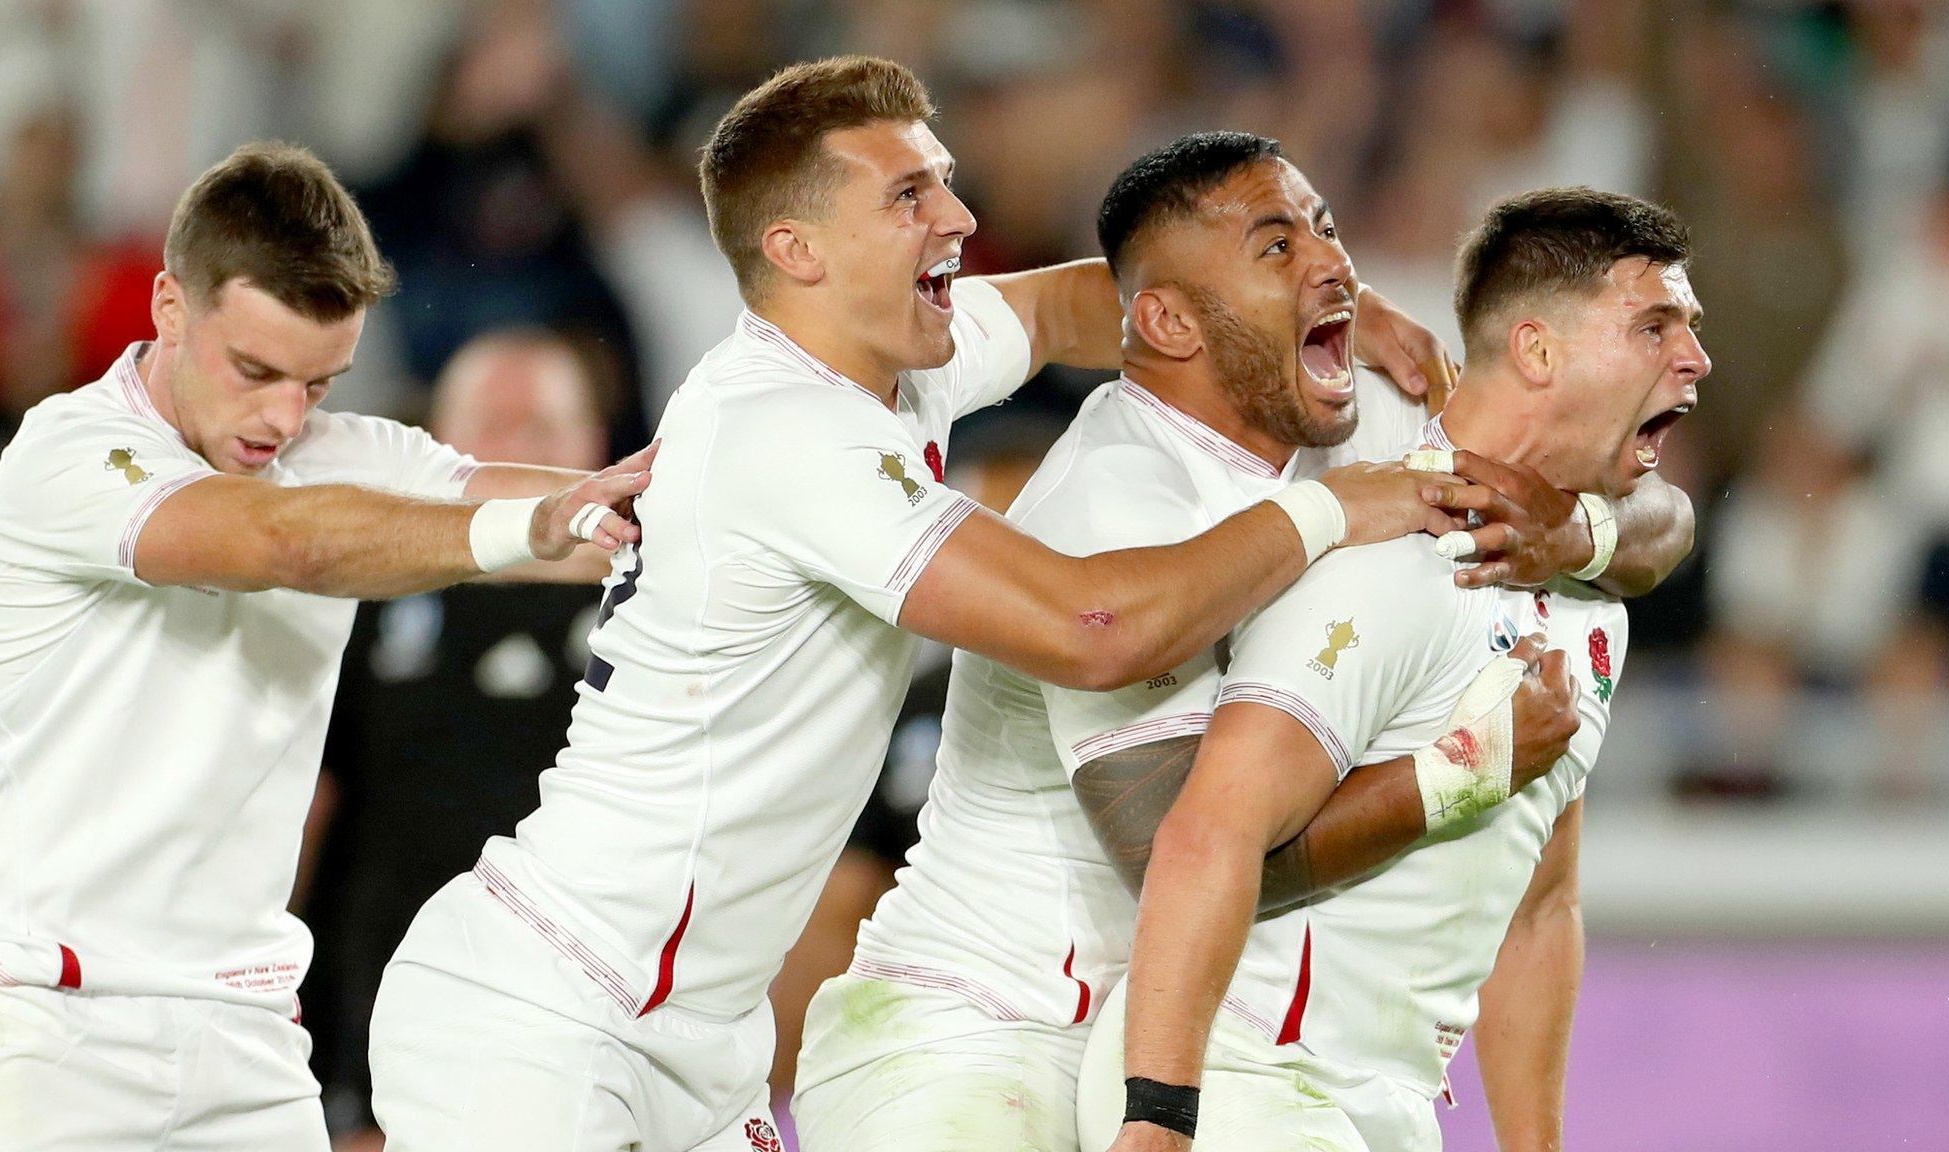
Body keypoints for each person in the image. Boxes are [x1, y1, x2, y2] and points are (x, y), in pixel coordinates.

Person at [367, 56, 1470, 1152]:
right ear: (795, 251)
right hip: (550, 1010)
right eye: (907, 196)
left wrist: (1316, 304)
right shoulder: (783, 427)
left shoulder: (898, 357)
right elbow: (1091, 630)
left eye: (940, 178)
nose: (957, 212)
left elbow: (1086, 304)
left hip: (698, 1042)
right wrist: (1338, 511)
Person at [792, 134, 1696, 1152]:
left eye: (1326, 229)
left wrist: (1576, 534)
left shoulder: (1356, 426)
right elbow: (1189, 847)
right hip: (973, 1033)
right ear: (1171, 322)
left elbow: (1622, 489)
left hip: (1148, 1037)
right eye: (1275, 247)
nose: (1328, 262)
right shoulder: (1117, 498)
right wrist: (1460, 773)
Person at [0, 142, 651, 1151]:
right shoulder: (67, 455)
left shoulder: (340, 454)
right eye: (254, 370)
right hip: (38, 1033)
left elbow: (565, 509)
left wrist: (707, 500)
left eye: (319, 382)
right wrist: (538, 526)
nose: (282, 419)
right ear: (170, 305)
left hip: (248, 1044)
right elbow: (280, 541)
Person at [1081, 187, 1708, 1152]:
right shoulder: (1391, 556)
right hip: (1249, 1081)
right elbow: (1210, 831)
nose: (1694, 359)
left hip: (1385, 1105)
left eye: (1691, 328)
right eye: (1655, 325)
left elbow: (1538, 910)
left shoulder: (1592, 603)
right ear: (1537, 351)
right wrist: (1157, 1120)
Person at [301, 328, 618, 1150]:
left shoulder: (656, 619)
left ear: (591, 448)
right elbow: (304, 802)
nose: (516, 451)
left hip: (587, 1015)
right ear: (438, 452)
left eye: (542, 432)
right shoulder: (355, 608)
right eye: (491, 428)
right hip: (380, 1010)